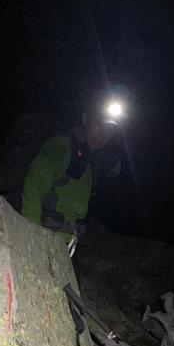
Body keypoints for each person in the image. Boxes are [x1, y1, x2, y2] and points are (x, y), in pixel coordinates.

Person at [20, 107, 119, 251]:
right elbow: (34, 187)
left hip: (66, 241)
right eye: (98, 124)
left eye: (108, 130)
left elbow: (116, 169)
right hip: (47, 238)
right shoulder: (62, 147)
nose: (103, 133)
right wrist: (32, 235)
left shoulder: (89, 160)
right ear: (85, 119)